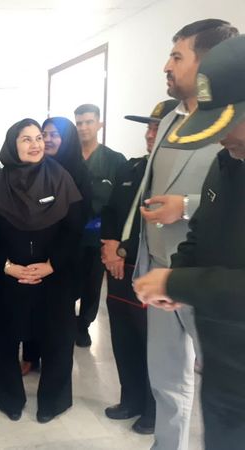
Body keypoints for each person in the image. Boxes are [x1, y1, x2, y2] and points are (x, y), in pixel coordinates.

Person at [135, 34, 245, 450]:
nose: (220, 138)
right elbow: (203, 231)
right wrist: (176, 273)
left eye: (227, 124)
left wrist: (175, 282)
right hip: (226, 374)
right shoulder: (227, 161)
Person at [0, 118, 84, 423]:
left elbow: (73, 229)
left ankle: (53, 401)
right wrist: (8, 267)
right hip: (6, 278)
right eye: (26, 139)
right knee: (4, 341)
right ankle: (9, 399)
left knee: (58, 341)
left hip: (52, 277)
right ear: (13, 144)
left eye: (38, 138)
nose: (36, 144)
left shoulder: (61, 178)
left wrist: (51, 265)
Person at [100, 99, 178, 435]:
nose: (149, 134)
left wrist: (121, 249)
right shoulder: (131, 169)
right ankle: (130, 399)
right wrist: (108, 246)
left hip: (150, 270)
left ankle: (153, 409)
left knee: (152, 343)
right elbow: (110, 212)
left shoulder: (173, 176)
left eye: (157, 128)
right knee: (123, 336)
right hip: (118, 270)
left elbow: (158, 228)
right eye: (148, 127)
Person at [21, 117, 92, 374]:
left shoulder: (78, 173)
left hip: (64, 255)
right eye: (44, 134)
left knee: (57, 315)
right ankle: (30, 356)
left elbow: (80, 220)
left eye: (55, 135)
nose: (48, 140)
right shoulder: (32, 168)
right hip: (35, 252)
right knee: (32, 307)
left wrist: (57, 258)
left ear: (68, 139)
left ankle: (54, 366)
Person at [74, 103, 126, 346]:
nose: (83, 127)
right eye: (79, 123)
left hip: (99, 235)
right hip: (70, 233)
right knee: (66, 280)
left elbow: (119, 202)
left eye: (88, 122)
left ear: (99, 124)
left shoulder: (115, 160)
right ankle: (64, 321)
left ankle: (83, 325)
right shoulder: (68, 158)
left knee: (92, 283)